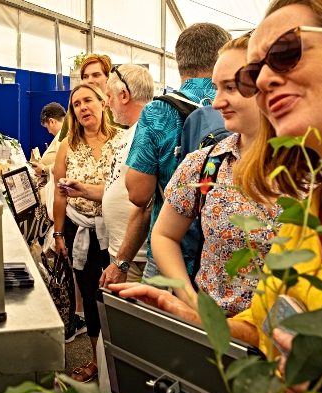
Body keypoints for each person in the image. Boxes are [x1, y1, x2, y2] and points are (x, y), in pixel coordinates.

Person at [112, 0, 322, 391]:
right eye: (253, 74)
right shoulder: (309, 211)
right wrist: (195, 316)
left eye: (285, 53)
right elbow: (264, 331)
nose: (260, 82)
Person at [150, 33, 281, 316]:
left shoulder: (311, 168)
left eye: (231, 88)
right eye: (216, 88)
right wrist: (190, 301)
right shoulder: (207, 164)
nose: (217, 102)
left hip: (284, 345)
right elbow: (163, 235)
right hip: (214, 332)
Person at [125, 23, 231, 282]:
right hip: (221, 254)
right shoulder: (237, 101)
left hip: (170, 250)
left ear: (179, 60)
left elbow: (138, 193)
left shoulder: (158, 111)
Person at [59, 64, 155, 285]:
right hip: (124, 250)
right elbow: (119, 190)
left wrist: (122, 261)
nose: (108, 103)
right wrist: (85, 190)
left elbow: (143, 202)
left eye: (109, 96)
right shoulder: (130, 135)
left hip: (136, 255)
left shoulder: (142, 135)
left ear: (124, 95)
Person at [54, 83, 123, 382]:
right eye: (76, 104)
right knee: (93, 298)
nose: (82, 108)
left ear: (104, 103)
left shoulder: (122, 142)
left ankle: (121, 364)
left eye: (87, 101)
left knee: (117, 297)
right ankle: (97, 362)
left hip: (116, 233)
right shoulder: (68, 146)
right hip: (79, 230)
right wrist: (58, 235)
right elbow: (59, 195)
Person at [57, 54, 126, 142]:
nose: (90, 80)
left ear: (108, 77)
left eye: (96, 75)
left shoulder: (120, 107)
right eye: (85, 77)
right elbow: (62, 146)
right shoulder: (76, 111)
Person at [30, 102, 65, 177]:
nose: (49, 131)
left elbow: (64, 165)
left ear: (52, 122)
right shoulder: (64, 134)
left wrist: (43, 169)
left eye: (47, 127)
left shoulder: (62, 136)